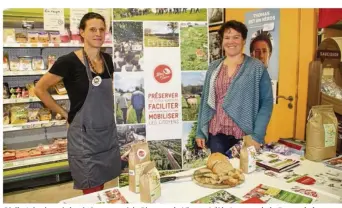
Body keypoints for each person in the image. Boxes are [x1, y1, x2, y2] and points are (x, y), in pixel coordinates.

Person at [34, 12, 121, 194]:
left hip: (106, 134)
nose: (98, 33)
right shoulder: (68, 62)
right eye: (92, 29)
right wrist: (64, 113)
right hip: (84, 138)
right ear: (81, 32)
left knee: (102, 187)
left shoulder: (107, 60)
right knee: (91, 188)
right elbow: (40, 89)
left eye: (101, 30)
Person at [195, 20, 273, 155]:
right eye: (227, 37)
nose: (231, 41)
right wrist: (200, 132)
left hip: (246, 135)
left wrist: (257, 135)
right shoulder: (213, 67)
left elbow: (266, 103)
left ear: (243, 40)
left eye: (236, 37)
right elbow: (205, 101)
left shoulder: (256, 68)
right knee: (221, 172)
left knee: (245, 174)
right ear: (222, 41)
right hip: (217, 134)